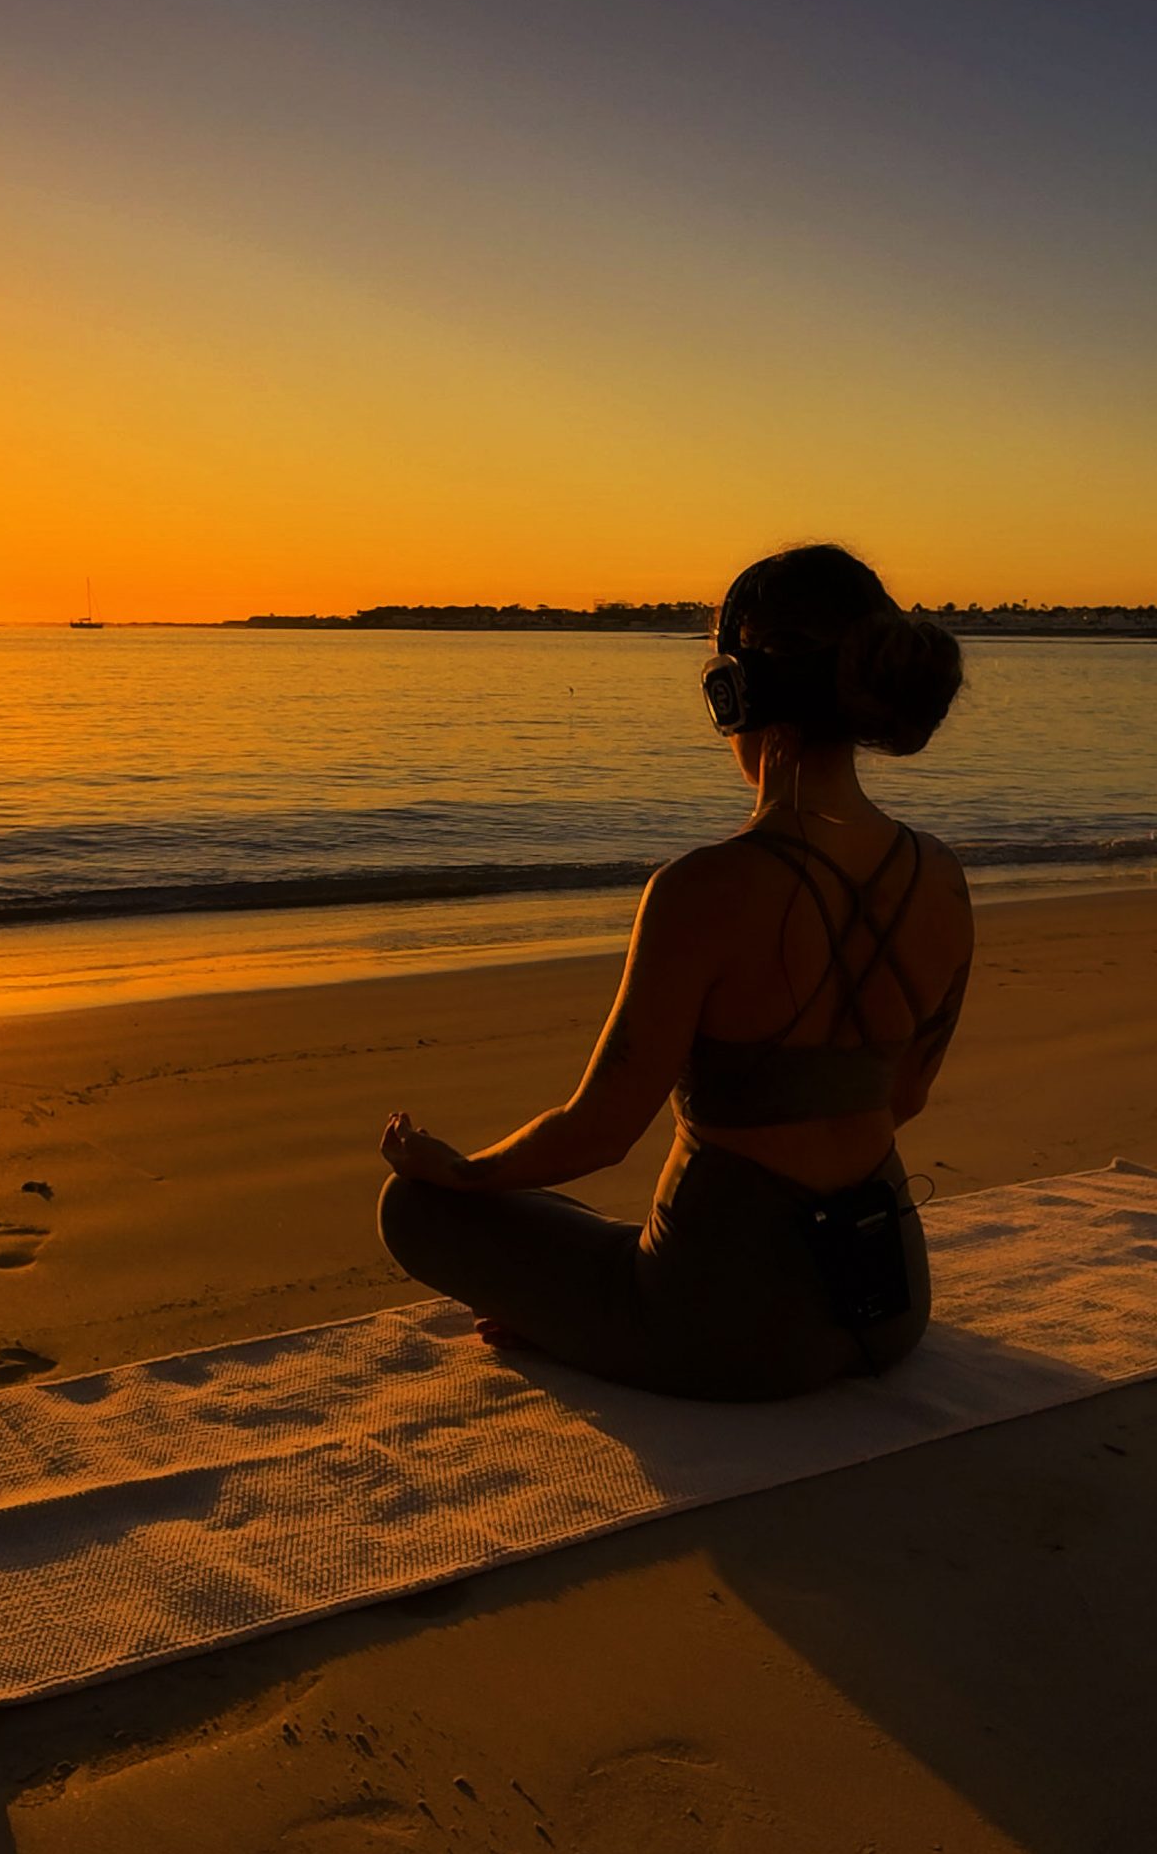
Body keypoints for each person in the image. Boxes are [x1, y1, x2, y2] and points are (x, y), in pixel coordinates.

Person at [378, 544, 971, 1401]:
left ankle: (578, 1317)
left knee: (418, 1211)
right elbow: (902, 1099)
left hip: (725, 1326)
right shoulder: (942, 873)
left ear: (734, 691)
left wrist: (461, 1172)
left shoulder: (701, 889)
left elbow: (599, 1133)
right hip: (886, 1298)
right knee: (565, 1230)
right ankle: (585, 1299)